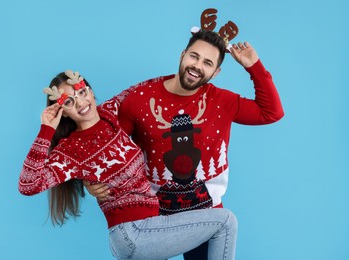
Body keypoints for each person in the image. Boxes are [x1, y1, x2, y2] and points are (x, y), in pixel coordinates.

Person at [86, 30, 284, 259]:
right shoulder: (140, 99)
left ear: (216, 72)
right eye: (194, 56)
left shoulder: (222, 101)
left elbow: (272, 112)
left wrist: (254, 66)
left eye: (207, 62)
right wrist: (90, 181)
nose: (197, 65)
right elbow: (106, 148)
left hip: (205, 213)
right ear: (182, 55)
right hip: (152, 216)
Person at [18, 70, 237, 260]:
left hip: (150, 226)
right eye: (69, 102)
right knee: (226, 221)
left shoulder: (111, 111)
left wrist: (194, 74)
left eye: (82, 93)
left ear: (90, 91)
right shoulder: (71, 149)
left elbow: (147, 88)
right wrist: (46, 129)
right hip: (134, 232)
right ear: (63, 111)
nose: (81, 103)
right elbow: (28, 185)